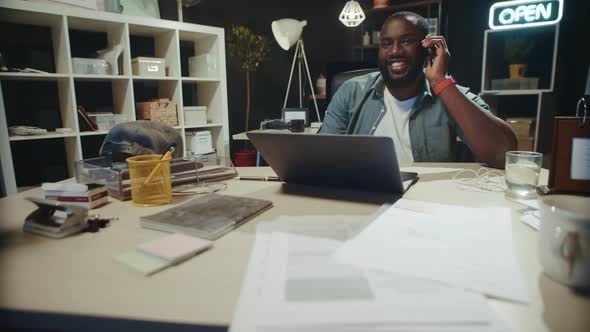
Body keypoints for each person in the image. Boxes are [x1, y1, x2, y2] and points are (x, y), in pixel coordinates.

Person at [318, 11, 517, 168]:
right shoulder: (351, 91)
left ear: (427, 48)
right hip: (363, 196)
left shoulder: (450, 95)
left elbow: (505, 155)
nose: (395, 51)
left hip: (427, 204)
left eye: (406, 41)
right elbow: (320, 156)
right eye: (387, 43)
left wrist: (441, 82)